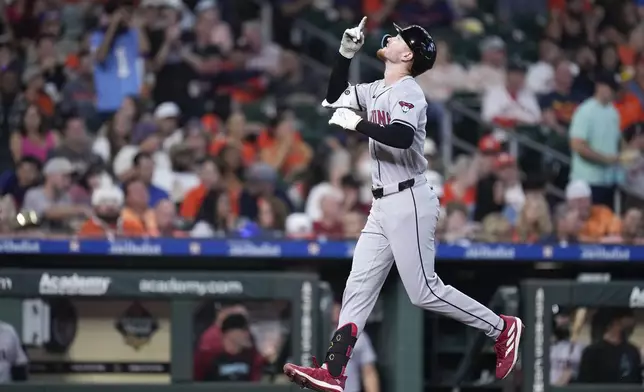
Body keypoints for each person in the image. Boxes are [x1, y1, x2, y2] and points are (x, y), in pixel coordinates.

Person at [283, 17, 523, 392]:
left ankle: (501, 327)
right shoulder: (378, 86)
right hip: (382, 202)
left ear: (407, 54)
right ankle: (334, 371)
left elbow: (399, 136)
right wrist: (346, 54)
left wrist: (358, 125)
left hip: (409, 197)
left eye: (397, 37)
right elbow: (333, 97)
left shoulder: (409, 89)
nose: (390, 37)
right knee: (357, 286)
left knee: (423, 290)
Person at [569, 73, 622, 208]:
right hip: (587, 181)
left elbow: (617, 141)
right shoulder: (585, 111)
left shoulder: (614, 112)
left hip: (609, 180)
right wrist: (604, 159)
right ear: (599, 86)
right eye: (609, 88)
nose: (611, 92)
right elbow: (578, 145)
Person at [577, 309, 642, 384]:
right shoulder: (592, 352)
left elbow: (637, 381)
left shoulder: (632, 351)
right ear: (615, 322)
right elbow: (585, 383)